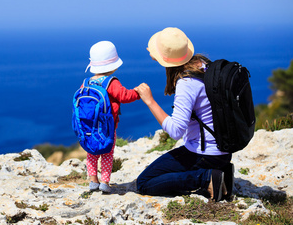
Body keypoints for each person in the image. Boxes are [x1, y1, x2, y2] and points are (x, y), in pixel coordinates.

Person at [134, 27, 234, 202]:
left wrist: (150, 101)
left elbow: (176, 131)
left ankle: (206, 178)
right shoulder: (204, 66)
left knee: (144, 182)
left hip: (205, 154)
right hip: (222, 151)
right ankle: (221, 173)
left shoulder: (187, 83)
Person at [83, 41, 140, 193]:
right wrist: (138, 92)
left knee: (92, 153)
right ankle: (105, 182)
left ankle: (93, 181)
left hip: (89, 127)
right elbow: (124, 96)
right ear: (113, 65)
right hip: (107, 127)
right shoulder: (111, 82)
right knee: (107, 153)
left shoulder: (86, 83)